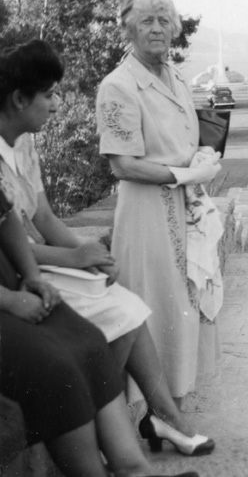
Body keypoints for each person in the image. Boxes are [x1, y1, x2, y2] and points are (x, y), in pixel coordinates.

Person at [0, 39, 214, 456]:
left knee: (126, 305)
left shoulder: (23, 143)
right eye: (49, 95)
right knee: (121, 313)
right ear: (18, 99)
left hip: (34, 265)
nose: (58, 104)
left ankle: (155, 418)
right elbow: (10, 246)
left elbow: (43, 219)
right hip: (14, 276)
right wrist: (74, 258)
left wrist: (89, 252)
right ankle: (114, 422)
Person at [0, 186, 198, 477]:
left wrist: (32, 277)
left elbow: (6, 220)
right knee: (54, 366)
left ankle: (136, 471)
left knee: (90, 342)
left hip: (14, 289)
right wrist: (9, 300)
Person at [96, 0, 223, 408]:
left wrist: (202, 155)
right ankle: (159, 412)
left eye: (164, 21)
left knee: (186, 305)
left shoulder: (177, 75)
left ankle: (172, 411)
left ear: (175, 29)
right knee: (158, 309)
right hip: (148, 214)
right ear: (128, 29)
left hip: (186, 207)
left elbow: (185, 140)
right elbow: (123, 165)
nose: (156, 29)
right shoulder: (118, 85)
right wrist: (188, 173)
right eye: (147, 21)